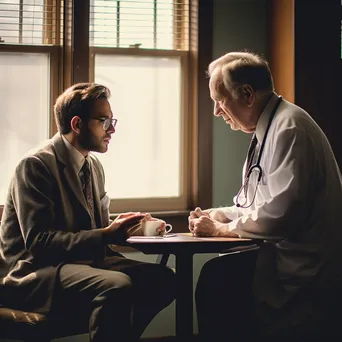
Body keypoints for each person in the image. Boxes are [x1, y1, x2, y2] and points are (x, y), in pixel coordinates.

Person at [0, 83, 176, 342]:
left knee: (162, 279)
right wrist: (106, 235)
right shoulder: (34, 165)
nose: (112, 129)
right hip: (36, 270)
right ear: (77, 124)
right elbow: (39, 243)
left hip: (82, 261)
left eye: (112, 120)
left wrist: (132, 225)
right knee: (117, 285)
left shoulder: (92, 165)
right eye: (104, 121)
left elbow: (98, 226)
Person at [188, 51, 342, 341]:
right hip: (281, 259)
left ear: (247, 94)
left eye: (219, 101)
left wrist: (221, 229)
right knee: (216, 277)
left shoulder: (290, 128)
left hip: (304, 270)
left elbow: (281, 215)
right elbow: (259, 203)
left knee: (216, 281)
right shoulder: (268, 129)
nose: (216, 112)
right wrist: (220, 213)